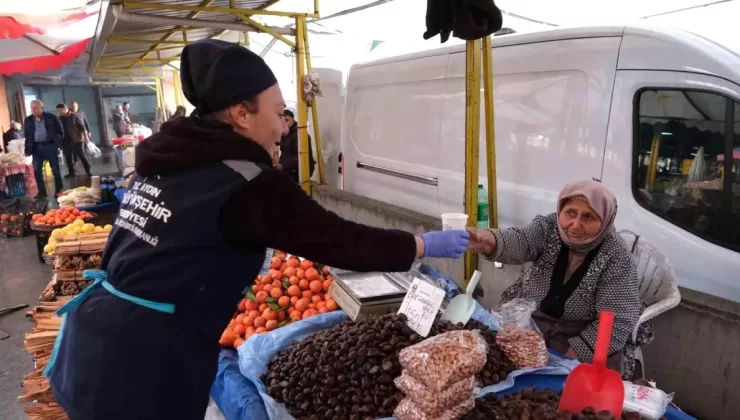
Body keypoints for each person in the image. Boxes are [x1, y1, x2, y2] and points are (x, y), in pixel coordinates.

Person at [46, 39, 471, 420]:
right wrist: (420, 243)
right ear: (240, 114)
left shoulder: (166, 162)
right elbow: (342, 241)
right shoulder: (245, 182)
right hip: (146, 370)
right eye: (277, 111)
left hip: (94, 343)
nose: (286, 125)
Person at [468, 180, 643, 377]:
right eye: (570, 213)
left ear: (605, 220)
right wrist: (485, 240)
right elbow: (523, 241)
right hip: (533, 323)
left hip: (582, 334)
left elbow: (616, 320)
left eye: (588, 217)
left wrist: (568, 361)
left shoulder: (616, 256)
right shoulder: (549, 227)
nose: (575, 225)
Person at [24, 100, 64, 199]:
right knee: (37, 170)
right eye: (32, 108)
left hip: (50, 146)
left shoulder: (51, 118)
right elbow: (27, 136)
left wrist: (56, 144)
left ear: (42, 108)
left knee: (55, 169)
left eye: (36, 108)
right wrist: (27, 149)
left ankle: (58, 190)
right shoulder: (28, 120)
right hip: (36, 148)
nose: (34, 110)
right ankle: (42, 192)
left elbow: (60, 131)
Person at [277, 109, 314, 183]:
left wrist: (283, 166)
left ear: (293, 120)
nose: (284, 123)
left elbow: (301, 157)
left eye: (287, 120)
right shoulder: (285, 134)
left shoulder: (300, 135)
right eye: (281, 121)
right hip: (287, 170)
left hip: (298, 172)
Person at [56, 103, 92, 177]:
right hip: (65, 140)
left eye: (60, 110)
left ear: (65, 109)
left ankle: (88, 171)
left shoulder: (75, 116)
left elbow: (83, 128)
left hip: (77, 139)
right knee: (68, 156)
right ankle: (71, 172)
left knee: (81, 155)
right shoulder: (60, 118)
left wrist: (86, 138)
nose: (59, 112)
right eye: (58, 111)